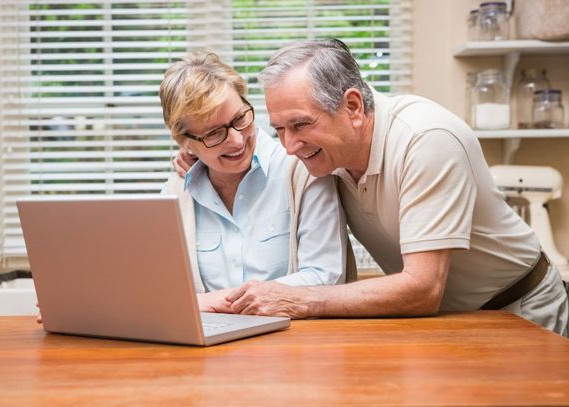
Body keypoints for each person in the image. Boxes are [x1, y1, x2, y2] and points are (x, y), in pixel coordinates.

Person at [175, 40, 568, 336]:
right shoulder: (324, 155)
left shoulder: (427, 139)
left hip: (521, 307)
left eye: (300, 125)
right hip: (452, 318)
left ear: (353, 107)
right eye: (279, 129)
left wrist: (294, 298)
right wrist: (198, 157)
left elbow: (423, 288)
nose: (289, 146)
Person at [158, 52, 356, 314]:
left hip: (297, 342)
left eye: (240, 119)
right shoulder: (175, 195)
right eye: (214, 134)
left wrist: (212, 302)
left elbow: (325, 277)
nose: (237, 141)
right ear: (185, 142)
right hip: (212, 347)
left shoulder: (302, 171)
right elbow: (163, 293)